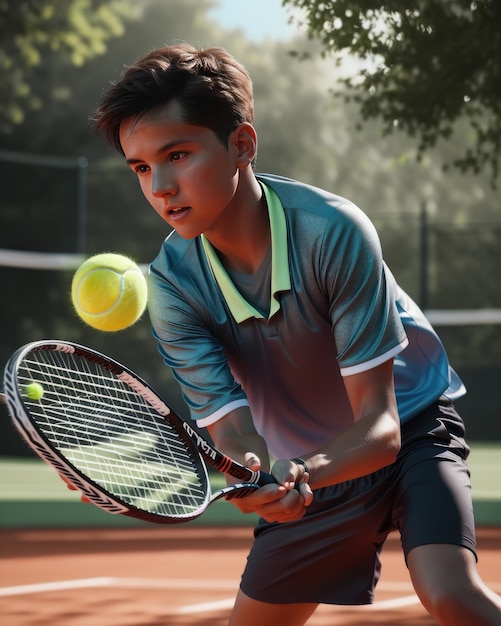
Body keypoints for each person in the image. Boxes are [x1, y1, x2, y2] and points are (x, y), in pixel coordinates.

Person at [92, 43, 501, 626]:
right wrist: (257, 475)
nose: (159, 185)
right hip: (307, 467)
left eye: (177, 154)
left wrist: (301, 469)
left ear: (242, 144)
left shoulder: (332, 232)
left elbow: (380, 428)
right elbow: (233, 429)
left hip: (410, 429)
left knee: (451, 594)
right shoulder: (173, 287)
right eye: (140, 167)